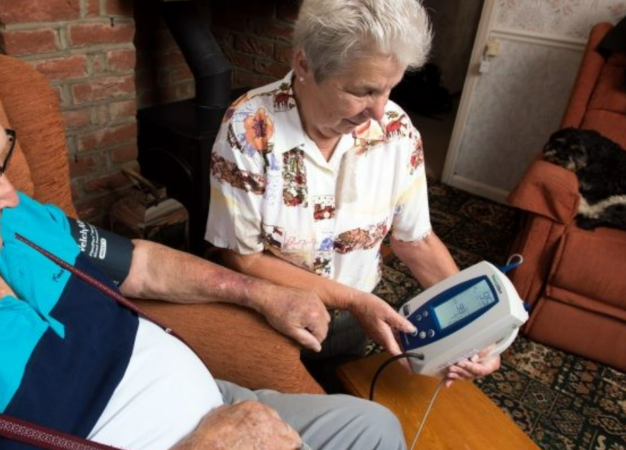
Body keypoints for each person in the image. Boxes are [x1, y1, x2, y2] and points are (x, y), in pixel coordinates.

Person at [0, 34, 408, 449]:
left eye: (1, 160)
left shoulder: (11, 220)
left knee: (375, 427)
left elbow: (142, 264)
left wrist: (258, 293)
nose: (10, 198)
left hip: (219, 400)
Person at [206, 0, 500, 386]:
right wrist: (354, 301)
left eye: (390, 89)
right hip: (270, 317)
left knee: (343, 402)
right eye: (364, 91)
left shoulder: (396, 131)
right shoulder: (250, 128)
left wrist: (479, 328)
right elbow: (242, 257)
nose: (380, 111)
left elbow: (417, 240)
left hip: (357, 319)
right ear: (305, 65)